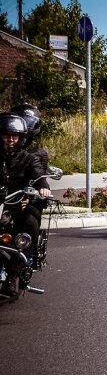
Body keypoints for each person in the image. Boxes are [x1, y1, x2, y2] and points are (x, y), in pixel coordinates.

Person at [0, 113, 50, 298]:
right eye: (6, 135)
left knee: (30, 222)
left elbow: (38, 176)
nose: (10, 140)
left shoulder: (29, 158)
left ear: (21, 138)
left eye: (15, 136)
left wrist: (42, 187)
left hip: (18, 203)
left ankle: (13, 275)